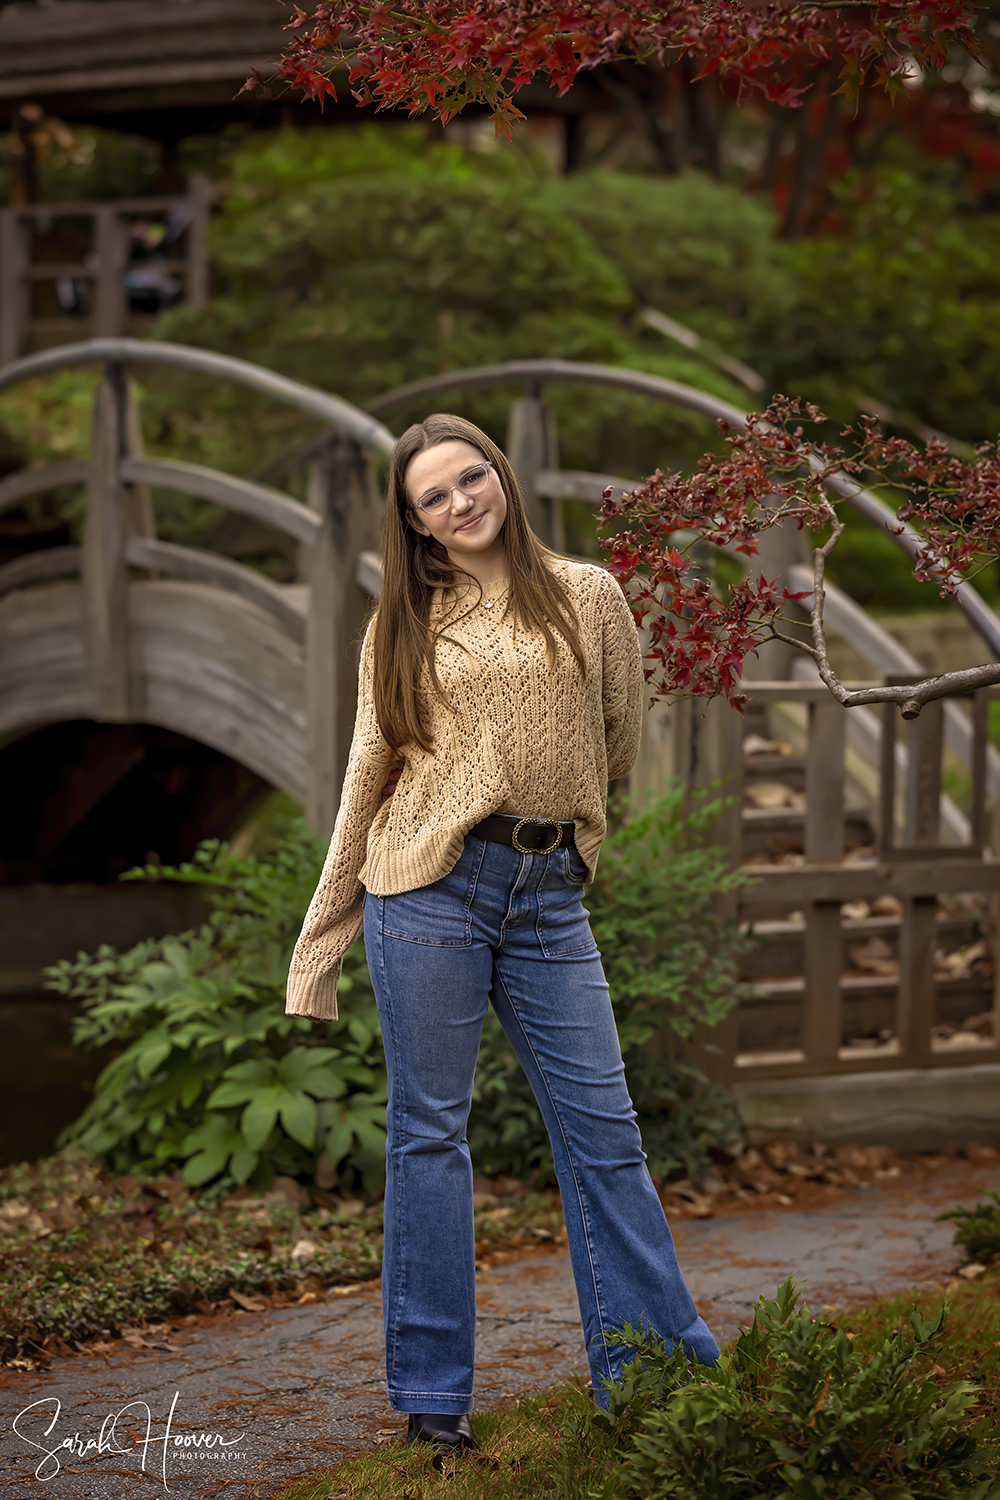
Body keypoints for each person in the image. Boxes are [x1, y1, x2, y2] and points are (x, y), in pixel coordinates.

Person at [285, 414, 719, 1453]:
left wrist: (570, 846)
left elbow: (615, 736)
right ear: (416, 526)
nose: (459, 502)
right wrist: (323, 934)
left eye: (468, 477)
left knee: (604, 1138)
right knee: (429, 1137)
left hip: (547, 895)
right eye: (432, 497)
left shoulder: (589, 595)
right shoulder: (398, 627)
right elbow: (366, 779)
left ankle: (657, 1373)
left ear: (500, 476)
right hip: (427, 887)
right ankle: (433, 1399)